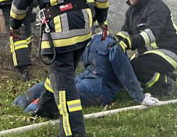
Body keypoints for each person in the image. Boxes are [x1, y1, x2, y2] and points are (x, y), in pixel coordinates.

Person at [9, 0, 108, 137]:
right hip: (83, 29)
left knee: (65, 83)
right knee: (61, 72)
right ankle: (46, 108)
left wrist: (14, 24)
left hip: (59, 32)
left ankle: (73, 133)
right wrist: (102, 19)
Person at [13, 33, 162, 110]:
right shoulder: (113, 45)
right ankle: (35, 108)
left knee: (56, 84)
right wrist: (140, 97)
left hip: (84, 77)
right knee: (69, 94)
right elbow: (125, 71)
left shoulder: (88, 41)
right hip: (100, 88)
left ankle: (22, 100)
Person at [109, 0, 177, 98]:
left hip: (168, 51)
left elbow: (151, 34)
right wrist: (113, 41)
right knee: (125, 67)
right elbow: (125, 31)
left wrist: (127, 43)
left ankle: (166, 84)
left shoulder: (157, 7)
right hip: (148, 53)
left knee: (137, 67)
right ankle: (164, 75)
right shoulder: (132, 10)